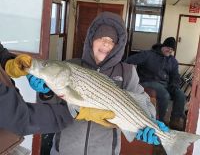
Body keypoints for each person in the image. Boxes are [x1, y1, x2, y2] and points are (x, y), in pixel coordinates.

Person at [2, 12, 168, 155]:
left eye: (111, 41)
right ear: (91, 41)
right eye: (101, 38)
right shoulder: (71, 64)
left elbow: (143, 102)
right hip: (65, 149)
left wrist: (151, 121)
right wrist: (46, 91)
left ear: (118, 46)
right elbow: (51, 105)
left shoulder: (127, 72)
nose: (106, 44)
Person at [126, 37, 186, 131]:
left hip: (165, 84)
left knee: (180, 94)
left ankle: (175, 120)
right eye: (168, 47)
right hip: (147, 81)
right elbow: (129, 61)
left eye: (172, 49)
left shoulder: (173, 61)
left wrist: (175, 85)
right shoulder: (148, 54)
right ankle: (160, 121)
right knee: (164, 95)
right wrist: (131, 76)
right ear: (163, 46)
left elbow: (175, 76)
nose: (169, 50)